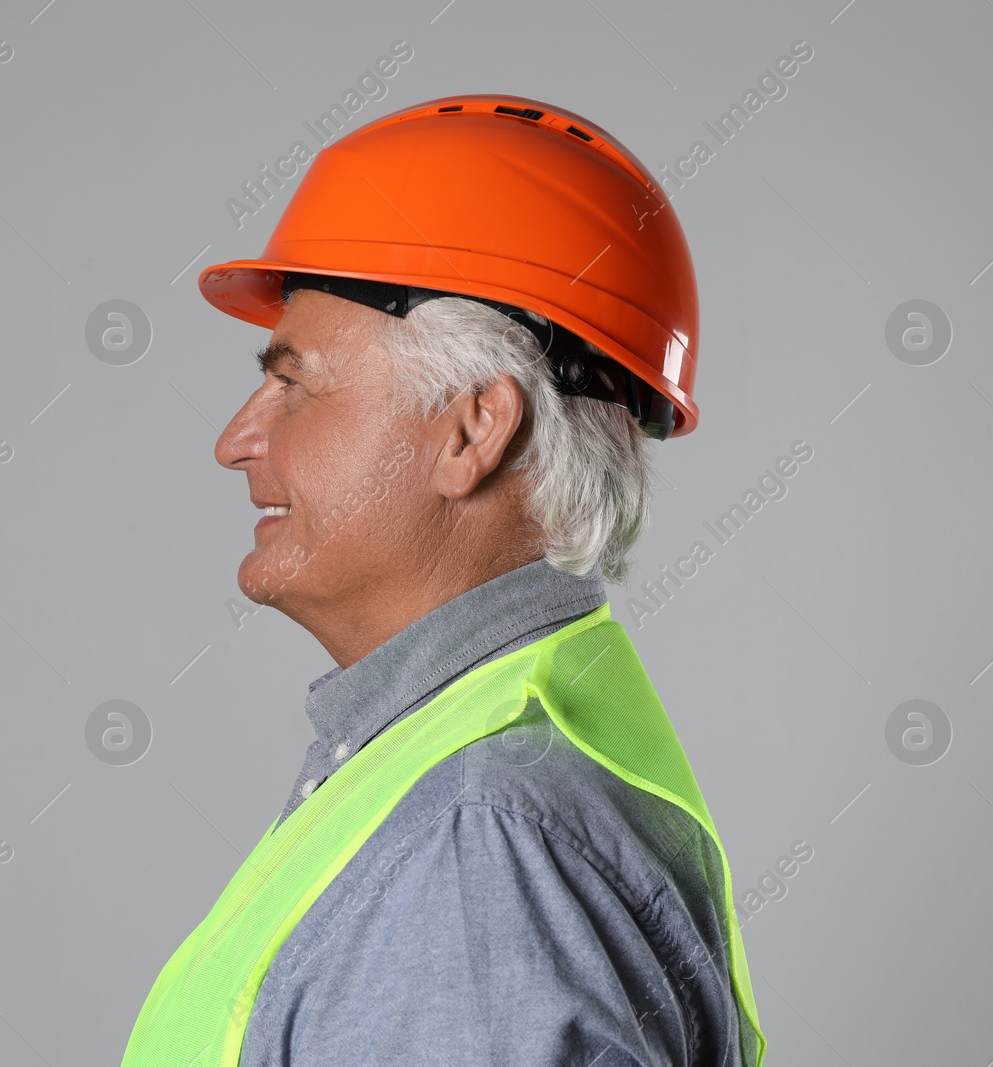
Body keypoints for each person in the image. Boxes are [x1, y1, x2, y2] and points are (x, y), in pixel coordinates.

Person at [121, 94, 766, 1067]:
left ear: (472, 428)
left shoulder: (476, 846)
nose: (236, 439)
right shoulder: (451, 778)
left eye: (292, 380)